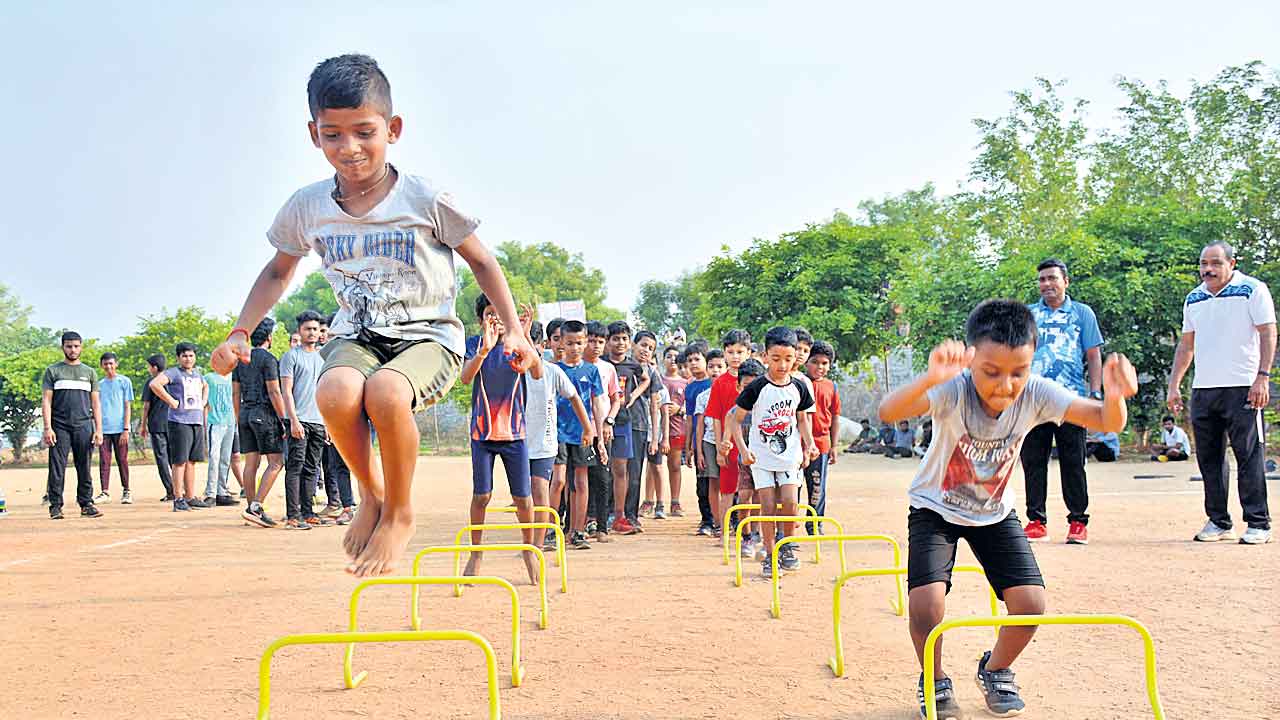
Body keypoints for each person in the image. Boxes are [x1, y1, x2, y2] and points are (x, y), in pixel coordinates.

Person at [211, 55, 536, 575]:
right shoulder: (307, 206)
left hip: (429, 338)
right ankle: (371, 494)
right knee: (335, 392)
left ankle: (401, 513)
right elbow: (277, 271)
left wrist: (515, 330)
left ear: (393, 129)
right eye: (333, 134)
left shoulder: (425, 198)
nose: (350, 147)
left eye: (364, 132)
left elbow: (482, 261)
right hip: (357, 335)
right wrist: (239, 331)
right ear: (314, 134)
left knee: (385, 393)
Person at [878, 299, 1136, 719]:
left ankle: (996, 669)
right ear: (971, 359)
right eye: (992, 372)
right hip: (935, 508)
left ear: (1032, 361)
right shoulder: (955, 389)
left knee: (1031, 604)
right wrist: (930, 379)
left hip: (994, 512)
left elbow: (1107, 421)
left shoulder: (1036, 392)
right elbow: (889, 411)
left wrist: (1116, 395)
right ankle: (934, 680)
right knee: (926, 606)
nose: (1006, 385)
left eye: (1019, 371)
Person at [1168, 241, 1275, 545]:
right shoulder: (1194, 298)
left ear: (1232, 263)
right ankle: (1219, 521)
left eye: (1215, 263)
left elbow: (1268, 332)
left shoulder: (1252, 290)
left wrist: (1262, 378)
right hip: (1204, 389)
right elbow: (1186, 345)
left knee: (1249, 455)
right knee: (1209, 459)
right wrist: (1174, 385)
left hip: (1243, 386)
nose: (1208, 269)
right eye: (1204, 263)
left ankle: (1258, 523)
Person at [1022, 258, 1105, 546]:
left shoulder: (1082, 313)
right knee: (1033, 461)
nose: (1046, 284)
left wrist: (1095, 394)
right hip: (1034, 400)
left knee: (1073, 462)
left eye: (1052, 278)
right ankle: (1036, 522)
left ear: (1065, 281)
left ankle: (1078, 522)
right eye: (1042, 279)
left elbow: (1093, 355)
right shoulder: (1029, 315)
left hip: (1072, 400)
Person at [460, 294, 541, 582]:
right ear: (481, 319)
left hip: (514, 433)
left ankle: (528, 549)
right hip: (482, 433)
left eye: (500, 313)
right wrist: (484, 350)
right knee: (481, 495)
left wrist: (526, 338)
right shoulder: (475, 344)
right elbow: (465, 378)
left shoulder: (518, 345)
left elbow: (537, 373)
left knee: (523, 498)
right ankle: (476, 552)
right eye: (489, 314)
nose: (495, 319)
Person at [728, 330, 815, 578]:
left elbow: (802, 419)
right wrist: (743, 450)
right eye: (776, 359)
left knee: (790, 501)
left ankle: (786, 546)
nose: (782, 365)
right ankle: (769, 554)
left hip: (789, 456)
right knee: (766, 505)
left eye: (788, 359)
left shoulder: (799, 386)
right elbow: (735, 420)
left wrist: (809, 444)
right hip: (761, 457)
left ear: (795, 358)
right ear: (766, 356)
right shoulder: (757, 387)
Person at [525, 319, 591, 551]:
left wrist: (588, 427)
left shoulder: (553, 371)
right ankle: (538, 536)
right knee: (529, 492)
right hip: (522, 441)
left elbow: (576, 398)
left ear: (541, 346)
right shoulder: (515, 372)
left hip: (549, 440)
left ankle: (551, 536)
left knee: (546, 485)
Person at [552, 320, 604, 549]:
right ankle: (550, 531)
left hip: (583, 434)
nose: (575, 348)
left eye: (579, 343)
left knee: (581, 483)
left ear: (585, 343)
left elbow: (596, 404)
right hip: (557, 433)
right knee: (559, 481)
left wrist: (598, 436)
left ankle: (578, 532)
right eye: (570, 343)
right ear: (561, 343)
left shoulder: (592, 371)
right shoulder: (554, 370)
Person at [233, 318, 288, 529]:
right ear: (269, 338)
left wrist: (239, 417)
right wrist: (284, 419)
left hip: (245, 413)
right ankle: (255, 507)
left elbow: (235, 393)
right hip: (264, 414)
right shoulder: (269, 359)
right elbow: (274, 391)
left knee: (251, 464)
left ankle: (251, 508)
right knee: (276, 462)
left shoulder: (241, 360)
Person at [42, 331, 104, 520]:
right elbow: (46, 401)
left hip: (84, 425)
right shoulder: (53, 371)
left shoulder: (89, 372)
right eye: (69, 346)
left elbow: (96, 404)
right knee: (57, 467)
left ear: (81, 347)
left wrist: (99, 429)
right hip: (59, 426)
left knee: (84, 466)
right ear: (63, 347)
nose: (73, 350)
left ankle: (86, 504)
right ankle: (55, 506)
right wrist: (47, 427)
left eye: (76, 346)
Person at [281, 310, 332, 528]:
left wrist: (327, 423)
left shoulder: (324, 357)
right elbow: (286, 391)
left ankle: (308, 512)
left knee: (312, 468)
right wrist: (293, 420)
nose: (312, 333)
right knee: (295, 467)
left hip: (318, 421)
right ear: (299, 331)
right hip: (298, 420)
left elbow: (326, 391)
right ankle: (293, 515)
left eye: (315, 329)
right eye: (307, 329)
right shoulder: (291, 356)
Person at [148, 342, 209, 511]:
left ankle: (190, 496)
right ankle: (178, 498)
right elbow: (155, 384)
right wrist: (171, 401)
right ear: (178, 358)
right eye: (184, 356)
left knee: (192, 461)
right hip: (179, 421)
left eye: (191, 355)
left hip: (196, 421)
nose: (188, 359)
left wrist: (204, 401)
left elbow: (206, 386)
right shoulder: (174, 373)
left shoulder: (198, 374)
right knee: (179, 461)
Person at [585, 320, 626, 538]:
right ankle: (581, 522)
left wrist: (609, 421)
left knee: (602, 477)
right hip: (579, 432)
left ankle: (601, 526)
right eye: (592, 341)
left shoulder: (608, 369)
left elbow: (616, 399)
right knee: (580, 479)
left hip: (603, 431)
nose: (596, 346)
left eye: (600, 342)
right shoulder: (575, 367)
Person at [709, 330, 752, 536]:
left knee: (749, 492)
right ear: (724, 353)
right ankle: (724, 533)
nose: (735, 356)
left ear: (748, 353)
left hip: (751, 446)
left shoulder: (756, 380)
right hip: (729, 446)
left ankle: (750, 533)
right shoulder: (720, 383)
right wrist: (720, 447)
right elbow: (717, 418)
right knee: (726, 491)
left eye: (740, 352)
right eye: (731, 352)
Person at [803, 340, 840, 533]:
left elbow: (835, 417)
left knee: (817, 487)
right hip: (798, 443)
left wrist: (834, 446)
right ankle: (787, 524)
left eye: (824, 363)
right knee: (792, 487)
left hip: (821, 444)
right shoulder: (798, 382)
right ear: (806, 362)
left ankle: (815, 524)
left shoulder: (831, 386)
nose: (820, 367)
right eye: (815, 362)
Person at [682, 343, 717, 534]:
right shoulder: (690, 389)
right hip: (700, 441)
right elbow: (690, 420)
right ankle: (707, 520)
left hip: (717, 439)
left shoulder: (714, 383)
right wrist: (689, 446)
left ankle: (726, 518)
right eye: (690, 360)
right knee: (702, 483)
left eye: (697, 359)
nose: (693, 363)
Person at [96, 352, 133, 504]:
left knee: (122, 460)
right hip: (104, 429)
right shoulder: (99, 385)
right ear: (101, 365)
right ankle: (105, 492)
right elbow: (96, 407)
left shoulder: (124, 381)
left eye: (111, 363)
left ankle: (127, 490)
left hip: (120, 428)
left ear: (116, 364)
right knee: (104, 461)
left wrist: (126, 429)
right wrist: (97, 429)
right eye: (105, 364)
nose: (109, 366)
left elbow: (127, 406)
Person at [139, 354, 175, 501]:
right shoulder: (172, 380)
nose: (148, 369)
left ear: (154, 367)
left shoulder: (151, 382)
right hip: (173, 423)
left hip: (156, 424)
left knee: (161, 458)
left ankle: (171, 490)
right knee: (174, 458)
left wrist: (143, 425)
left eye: (149, 366)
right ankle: (181, 489)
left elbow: (146, 406)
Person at [658, 344, 688, 518]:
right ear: (663, 359)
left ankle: (675, 501)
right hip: (657, 430)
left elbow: (690, 405)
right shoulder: (658, 380)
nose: (672, 360)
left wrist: (679, 409)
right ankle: (653, 501)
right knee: (655, 467)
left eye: (676, 356)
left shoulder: (685, 382)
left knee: (675, 465)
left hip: (677, 429)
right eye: (668, 356)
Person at [203, 365, 239, 506]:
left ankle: (221, 492)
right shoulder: (208, 378)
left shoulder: (234, 377)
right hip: (215, 422)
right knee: (214, 457)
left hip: (230, 422)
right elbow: (202, 398)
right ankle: (210, 493)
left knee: (225, 458)